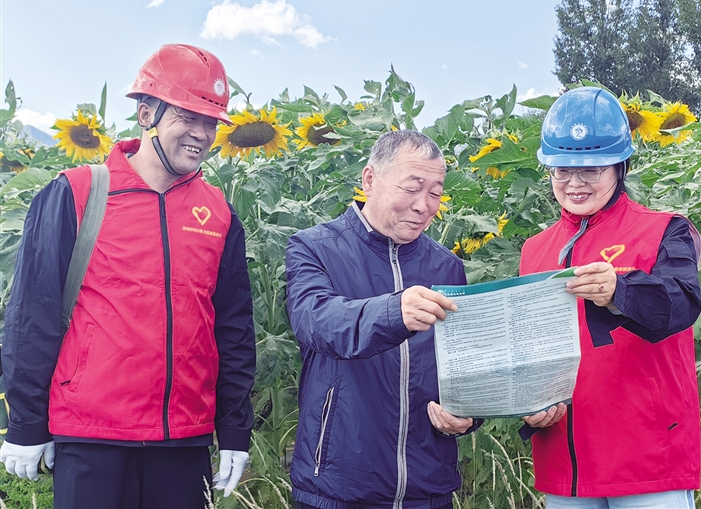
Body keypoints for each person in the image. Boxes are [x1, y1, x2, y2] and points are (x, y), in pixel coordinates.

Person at [0, 44, 257, 508]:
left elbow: (233, 330)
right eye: (187, 116)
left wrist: (235, 430)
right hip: (90, 435)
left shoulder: (218, 213)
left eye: (211, 122)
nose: (202, 133)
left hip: (185, 439)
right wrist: (25, 423)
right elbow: (30, 315)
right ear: (146, 113)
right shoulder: (78, 193)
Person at [518, 87, 701, 508]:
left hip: (648, 461)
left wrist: (620, 290)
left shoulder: (665, 229)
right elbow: (529, 349)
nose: (574, 183)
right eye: (561, 170)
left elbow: (682, 303)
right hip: (565, 464)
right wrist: (527, 403)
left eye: (591, 170)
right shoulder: (534, 249)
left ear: (620, 166)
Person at [286, 130, 480, 509]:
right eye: (412, 187)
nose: (424, 205)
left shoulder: (446, 266)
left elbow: (462, 366)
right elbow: (316, 322)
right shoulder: (314, 247)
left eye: (436, 193)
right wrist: (395, 311)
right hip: (339, 487)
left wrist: (468, 415)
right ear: (370, 180)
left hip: (427, 488)